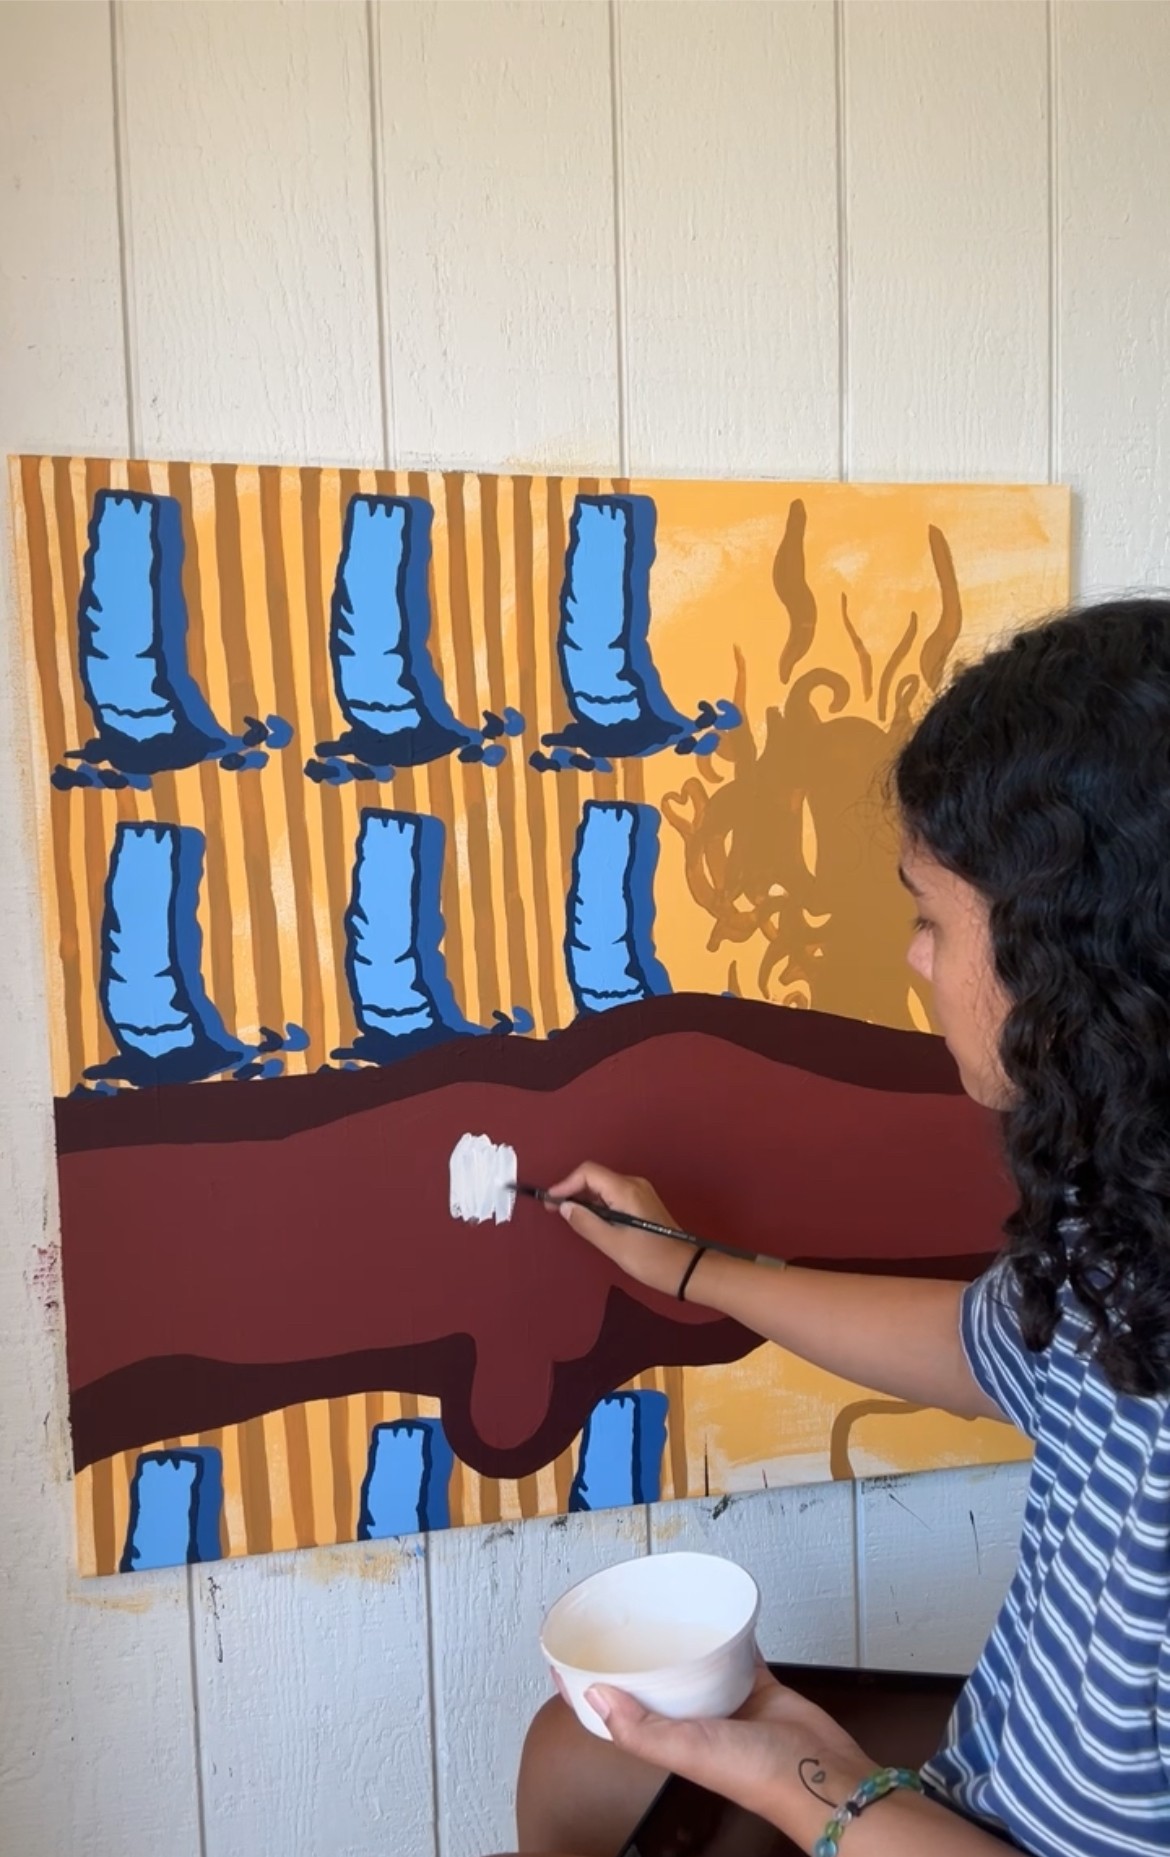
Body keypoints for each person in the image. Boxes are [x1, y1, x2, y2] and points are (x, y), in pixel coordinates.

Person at [513, 598, 1170, 1857]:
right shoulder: (1129, 1214)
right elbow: (982, 1350)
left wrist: (809, 1785)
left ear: (1075, 953)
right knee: (573, 1755)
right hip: (984, 1779)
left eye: (930, 917)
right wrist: (690, 1269)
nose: (916, 963)